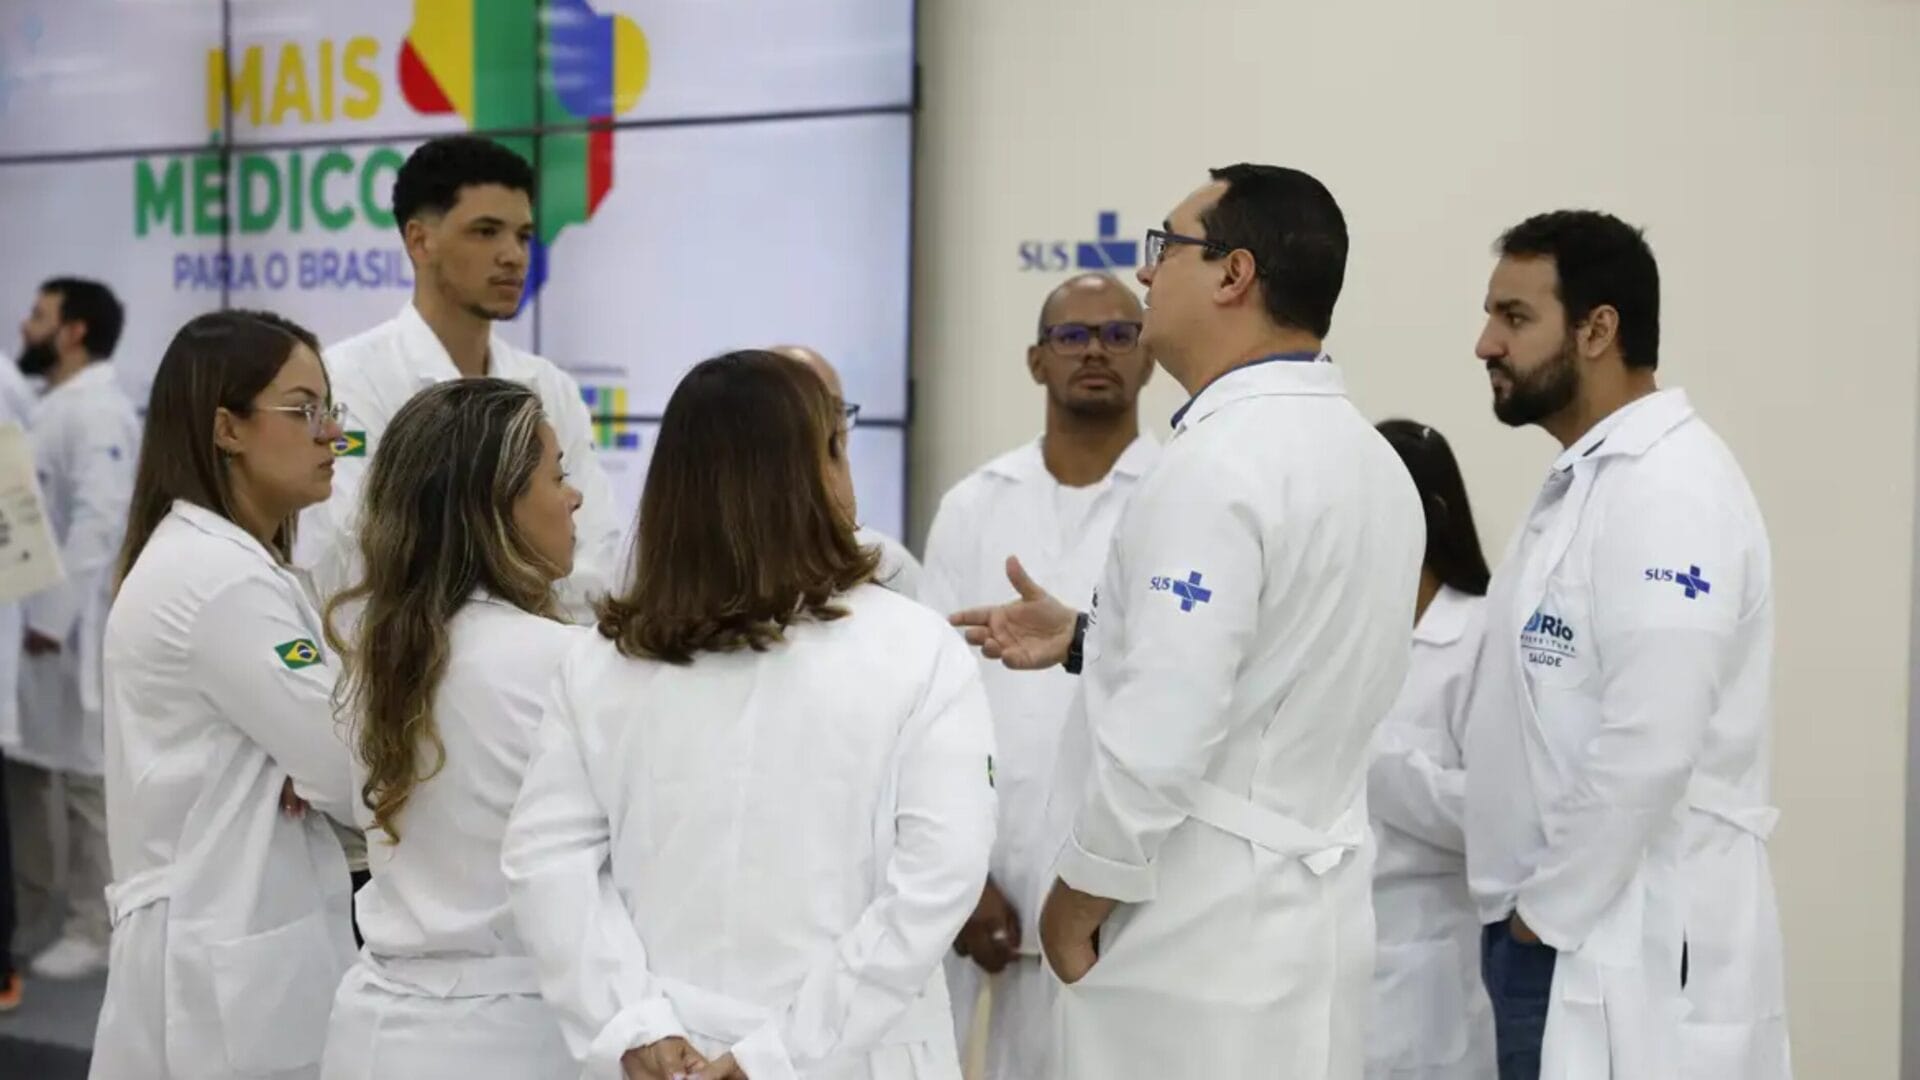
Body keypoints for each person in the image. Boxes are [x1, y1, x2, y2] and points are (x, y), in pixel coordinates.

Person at [952, 164, 1425, 1078]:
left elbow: (1165, 731)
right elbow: (1279, 663)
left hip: (1195, 934)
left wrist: (1075, 900)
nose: (1144, 272)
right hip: (1308, 925)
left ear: (1233, 274)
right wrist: (1091, 638)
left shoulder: (1216, 463)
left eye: (1164, 247)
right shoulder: (1370, 462)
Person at [502, 350, 996, 1080]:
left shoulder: (605, 660)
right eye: (837, 446)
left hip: (668, 1057)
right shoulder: (918, 648)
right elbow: (938, 879)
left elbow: (548, 863)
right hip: (854, 1056)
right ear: (813, 471)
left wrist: (633, 1024)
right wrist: (781, 1053)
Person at [1462, 210, 1785, 1080]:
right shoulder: (1590, 482)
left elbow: (1652, 743)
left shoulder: (1670, 490)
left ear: (1597, 329)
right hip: (1559, 938)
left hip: (1610, 946)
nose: (1486, 344)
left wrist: (1541, 921)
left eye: (1515, 317)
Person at [90, 311, 358, 1080]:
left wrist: (312, 757)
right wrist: (319, 761)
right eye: (304, 410)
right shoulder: (222, 581)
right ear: (227, 429)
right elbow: (350, 767)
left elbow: (329, 753)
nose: (332, 434)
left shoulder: (225, 564)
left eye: (330, 409)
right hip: (222, 953)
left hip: (227, 938)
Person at [917, 272, 1158, 1079]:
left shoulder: (1177, 497)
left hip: (1118, 887)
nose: (1095, 351)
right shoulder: (973, 505)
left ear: (1148, 357)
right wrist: (962, 876)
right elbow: (927, 703)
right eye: (1072, 335)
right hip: (978, 884)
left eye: (1119, 334)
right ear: (1035, 360)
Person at [318, 378, 583, 1079]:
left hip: (376, 1029)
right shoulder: (563, 662)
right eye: (557, 476)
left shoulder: (378, 656)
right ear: (497, 506)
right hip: (512, 1035)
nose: (575, 497)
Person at [297, 135, 621, 624]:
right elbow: (357, 558)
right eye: (486, 232)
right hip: (403, 660)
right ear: (419, 240)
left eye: (523, 236)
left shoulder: (548, 386)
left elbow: (597, 552)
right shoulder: (347, 379)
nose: (513, 255)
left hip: (555, 653)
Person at [7, 277, 139, 980]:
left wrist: (52, 620)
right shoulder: (46, 405)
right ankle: (34, 917)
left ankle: (96, 925)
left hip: (73, 632)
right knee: (29, 774)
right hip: (28, 625)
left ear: (74, 331)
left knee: (89, 784)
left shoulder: (99, 412)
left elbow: (98, 524)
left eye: (39, 316)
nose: (25, 327)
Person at [1364, 419, 1497, 1080]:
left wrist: (1370, 759)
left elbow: (1497, 817)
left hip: (1435, 967)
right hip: (1334, 954)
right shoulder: (1342, 634)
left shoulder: (1482, 637)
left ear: (1429, 517)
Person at [771, 344, 923, 597]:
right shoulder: (711, 566)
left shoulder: (890, 566)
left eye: (834, 410)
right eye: (803, 408)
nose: (822, 426)